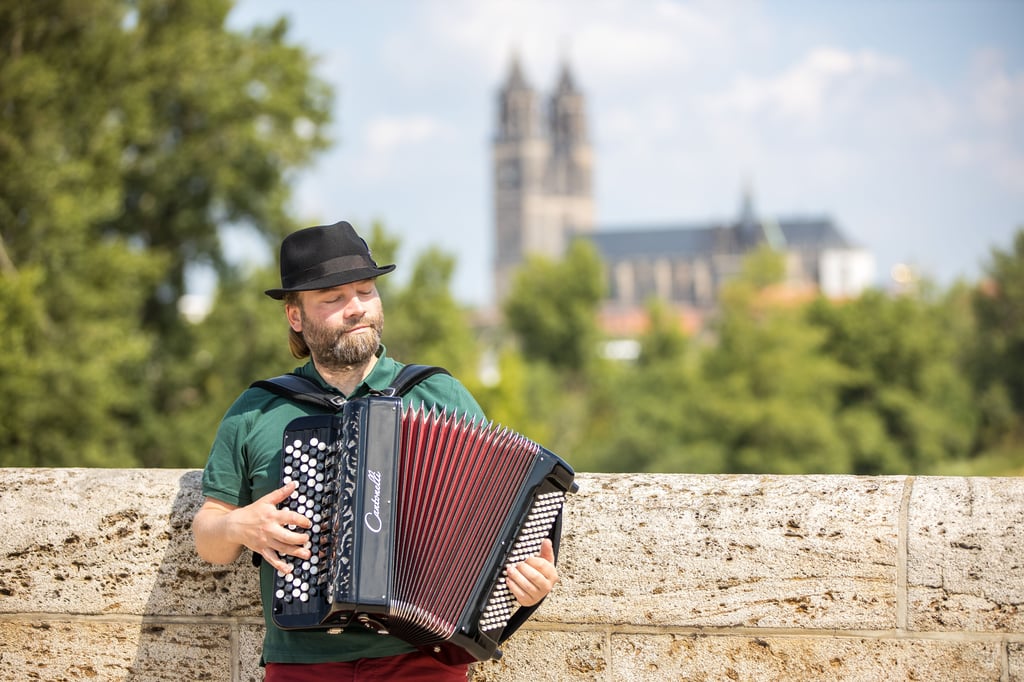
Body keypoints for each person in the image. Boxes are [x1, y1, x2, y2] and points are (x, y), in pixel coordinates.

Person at [192, 220, 559, 681]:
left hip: (420, 658)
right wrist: (236, 524)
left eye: (366, 292)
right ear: (295, 316)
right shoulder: (257, 409)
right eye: (333, 299)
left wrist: (526, 584)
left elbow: (500, 521)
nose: (356, 309)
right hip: (302, 662)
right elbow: (210, 538)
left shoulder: (437, 395)